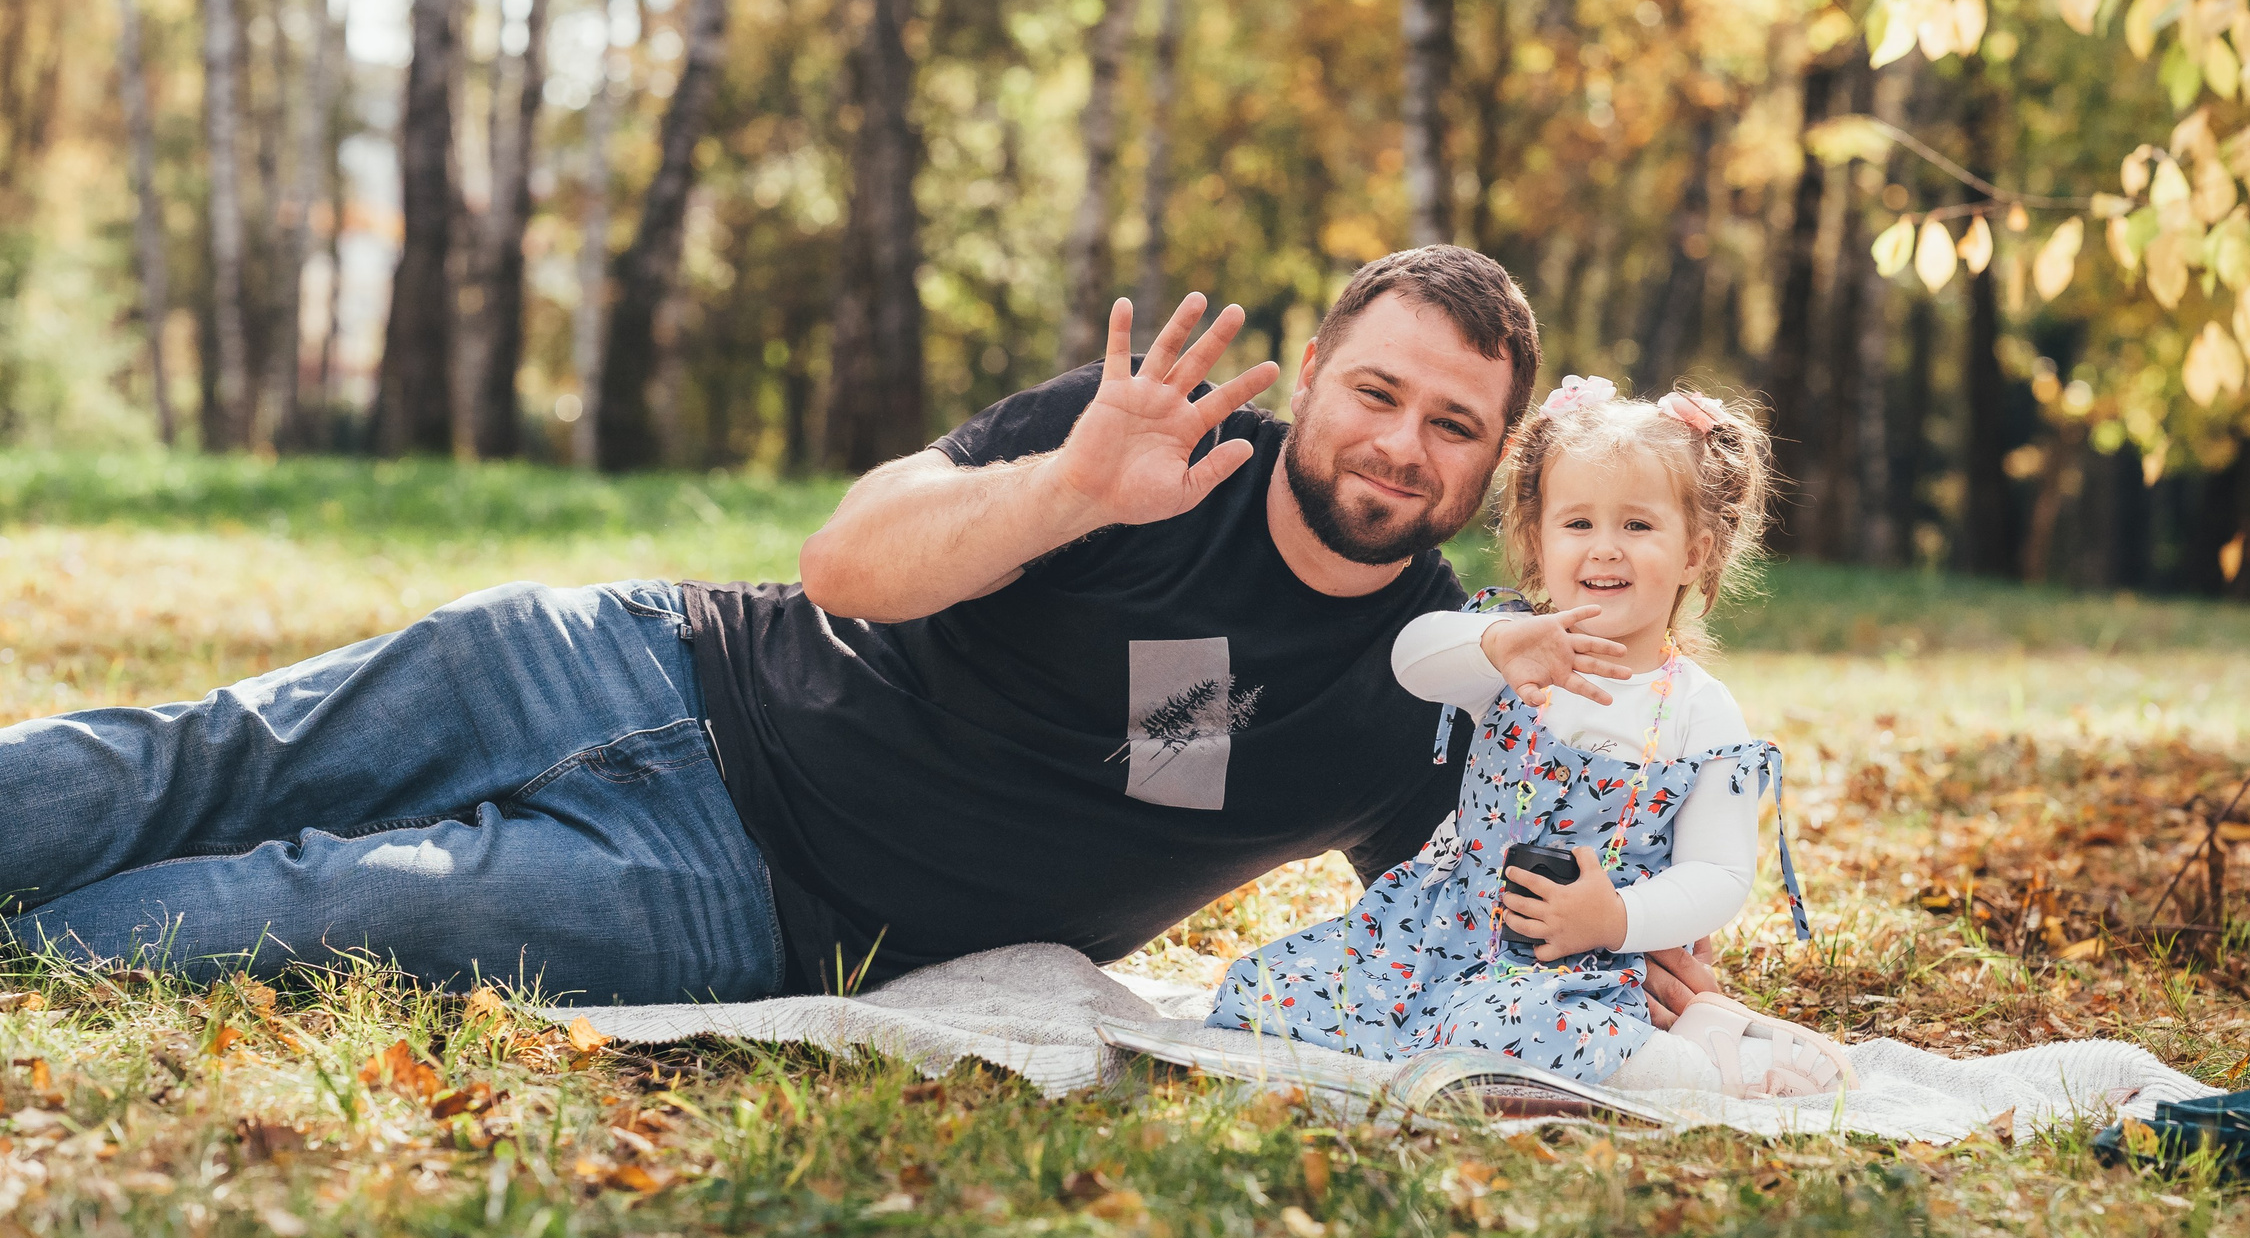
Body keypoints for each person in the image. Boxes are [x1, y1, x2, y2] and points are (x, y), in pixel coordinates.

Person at [0, 248, 1555, 1008]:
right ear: (1314, 371)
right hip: (651, 658)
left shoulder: (1431, 689)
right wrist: (1068, 492)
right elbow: (848, 561)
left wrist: (1646, 949)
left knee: (321, 903)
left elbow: (1491, 907)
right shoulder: (1130, 438)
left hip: (742, 901)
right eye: (1377, 392)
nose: (1401, 443)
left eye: (1454, 423)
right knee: (207, 758)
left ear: (1494, 462)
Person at [1207, 376, 1855, 1096]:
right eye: (1577, 524)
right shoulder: (1516, 650)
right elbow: (1410, 658)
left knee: (1513, 1026)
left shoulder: (1698, 710)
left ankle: (1695, 1062)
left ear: (1695, 552)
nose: (1604, 549)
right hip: (1438, 929)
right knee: (1267, 986)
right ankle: (1459, 1038)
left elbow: (1720, 873)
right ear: (1538, 540)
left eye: (1637, 526)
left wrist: (1616, 918)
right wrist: (1499, 645)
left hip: (1578, 960)